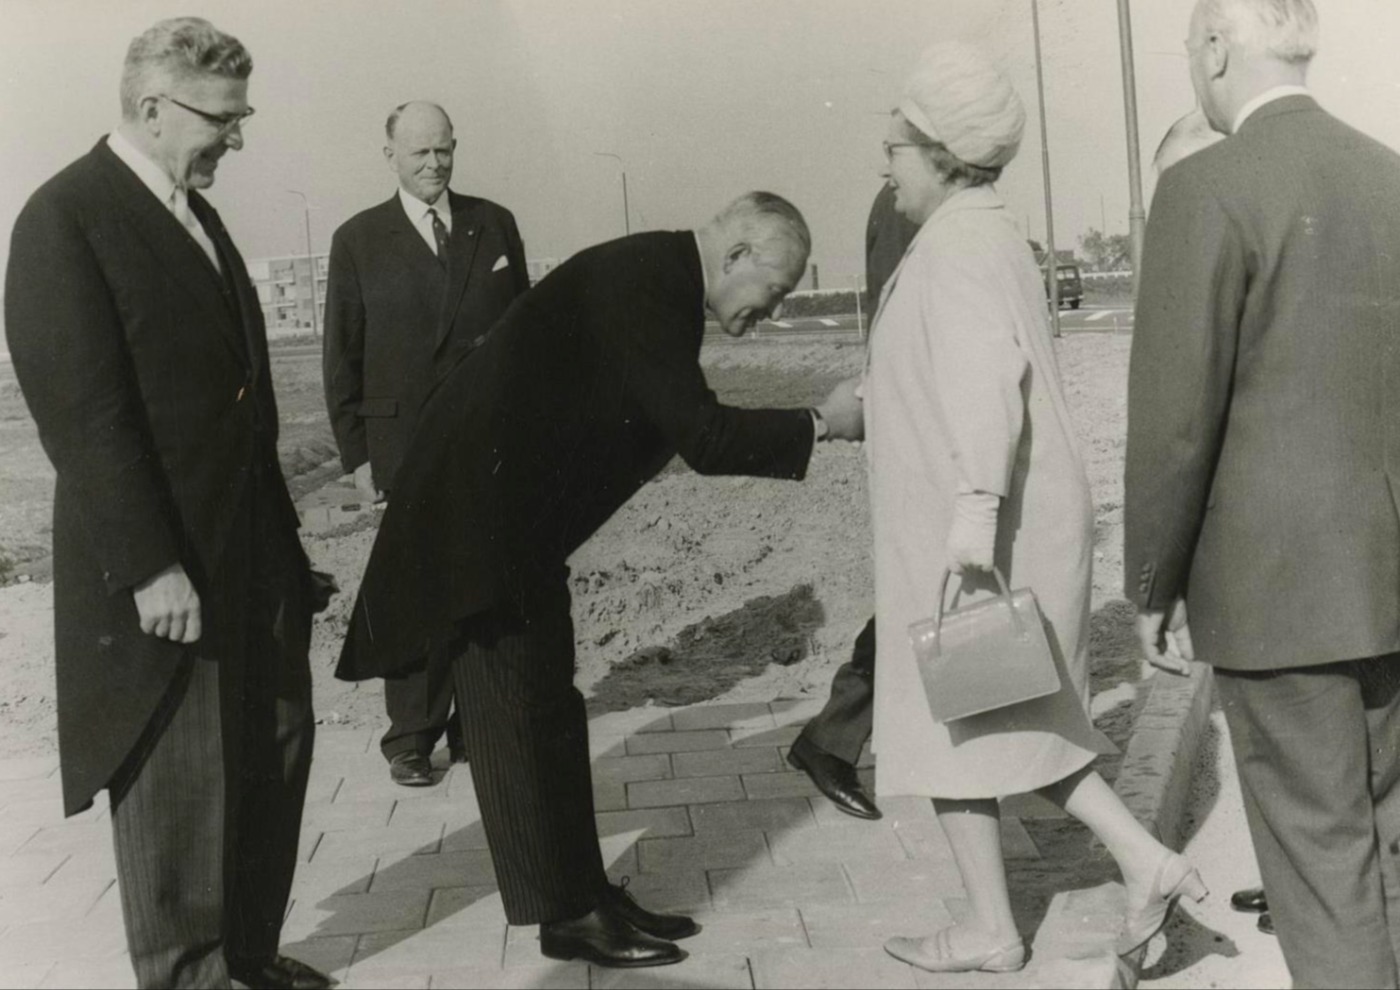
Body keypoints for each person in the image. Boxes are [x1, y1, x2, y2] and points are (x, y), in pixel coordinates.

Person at [335, 192, 863, 969]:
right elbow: (706, 437)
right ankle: (563, 916)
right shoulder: (652, 284)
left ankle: (585, 894)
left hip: (508, 521)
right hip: (478, 527)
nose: (773, 313)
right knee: (517, 711)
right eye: (774, 293)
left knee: (549, 704)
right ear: (738, 255)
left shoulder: (659, 276)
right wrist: (824, 422)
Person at [3, 18, 331, 990]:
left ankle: (247, 957)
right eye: (221, 120)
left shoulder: (195, 213)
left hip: (251, 557)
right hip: (163, 570)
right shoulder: (64, 220)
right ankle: (189, 977)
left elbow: (241, 396)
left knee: (273, 747)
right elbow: (86, 415)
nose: (235, 138)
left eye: (242, 118)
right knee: (180, 787)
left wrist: (284, 545)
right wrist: (148, 565)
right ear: (152, 107)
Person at [865, 43, 1201, 974]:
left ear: (939, 152)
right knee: (1004, 723)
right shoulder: (978, 232)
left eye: (895, 145)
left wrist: (971, 521)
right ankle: (1142, 864)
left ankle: (995, 929)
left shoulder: (960, 246)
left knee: (965, 724)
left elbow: (985, 390)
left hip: (976, 538)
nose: (884, 162)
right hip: (982, 525)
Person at [1126, 1, 1400, 984]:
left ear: (1212, 49)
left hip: (1278, 595)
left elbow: (1173, 420)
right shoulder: (1387, 174)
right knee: (1384, 851)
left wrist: (1151, 584)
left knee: (1320, 865)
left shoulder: (1204, 188)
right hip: (1386, 577)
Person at [324, 101, 529, 788]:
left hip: (488, 439)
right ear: (390, 156)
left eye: (444, 150)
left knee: (486, 581)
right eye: (419, 154)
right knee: (412, 589)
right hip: (402, 444)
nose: (435, 164)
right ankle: (410, 737)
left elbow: (524, 335)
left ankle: (478, 724)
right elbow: (340, 358)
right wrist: (357, 458)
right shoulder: (358, 239)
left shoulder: (492, 223)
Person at [787, 182, 918, 821]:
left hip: (931, 424)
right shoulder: (905, 203)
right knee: (923, 595)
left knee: (926, 596)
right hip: (923, 430)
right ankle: (831, 740)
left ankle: (832, 740)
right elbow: (900, 324)